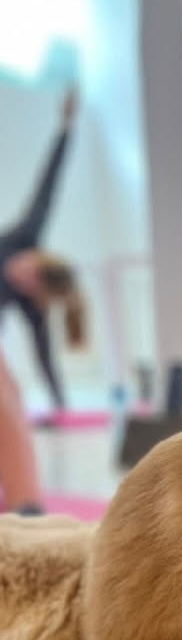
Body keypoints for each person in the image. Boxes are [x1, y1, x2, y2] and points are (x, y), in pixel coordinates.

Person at [0, 87, 84, 514]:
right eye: (29, 270)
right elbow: (49, 182)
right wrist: (66, 127)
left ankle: (26, 510)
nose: (22, 276)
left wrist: (60, 402)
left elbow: (43, 352)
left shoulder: (26, 301)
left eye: (29, 285)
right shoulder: (26, 233)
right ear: (36, 256)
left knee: (6, 391)